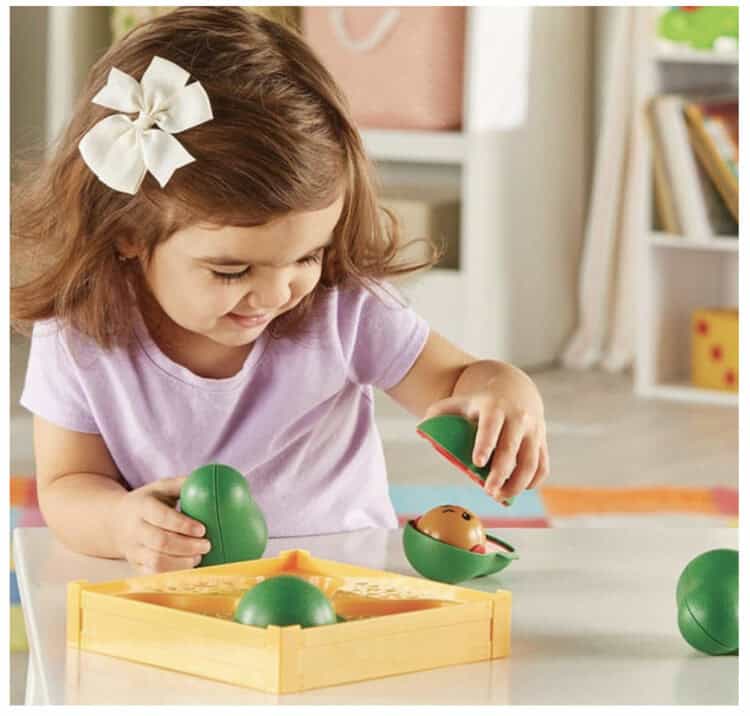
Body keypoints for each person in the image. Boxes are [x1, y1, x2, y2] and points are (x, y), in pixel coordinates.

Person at [11, 7, 549, 574]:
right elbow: (69, 484)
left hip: (342, 587)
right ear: (127, 234)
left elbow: (462, 381)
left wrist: (505, 394)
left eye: (307, 256)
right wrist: (122, 523)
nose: (276, 294)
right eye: (231, 271)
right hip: (180, 596)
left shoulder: (344, 309)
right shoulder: (78, 333)